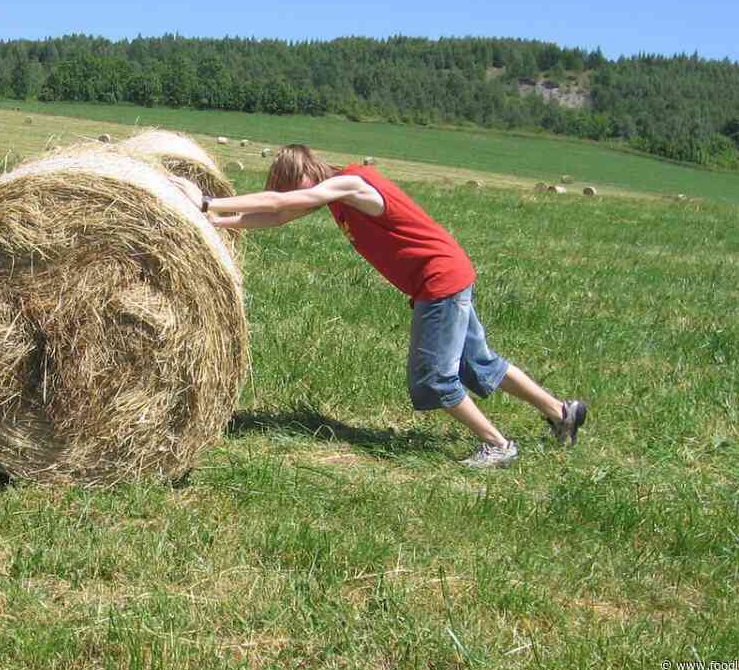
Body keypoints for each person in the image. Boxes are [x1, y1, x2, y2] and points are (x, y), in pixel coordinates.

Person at [178, 144, 586, 468]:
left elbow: (277, 203)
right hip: (447, 273)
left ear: (307, 171)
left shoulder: (351, 183)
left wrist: (209, 202)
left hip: (438, 280)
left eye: (293, 186)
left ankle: (498, 445)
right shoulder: (334, 197)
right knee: (478, 363)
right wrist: (219, 223)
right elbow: (279, 216)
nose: (293, 196)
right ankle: (561, 411)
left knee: (433, 379)